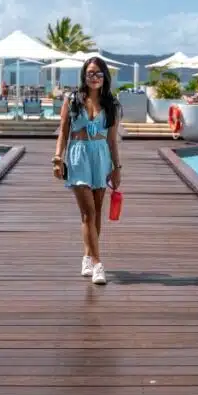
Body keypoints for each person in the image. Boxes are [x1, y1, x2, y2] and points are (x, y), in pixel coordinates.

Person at [52, 57, 122, 284]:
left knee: (97, 212)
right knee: (88, 213)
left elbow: (112, 140)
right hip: (79, 155)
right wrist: (57, 158)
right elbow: (63, 131)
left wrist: (117, 168)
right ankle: (99, 264)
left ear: (105, 77)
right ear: (84, 75)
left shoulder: (112, 104)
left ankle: (87, 257)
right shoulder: (72, 100)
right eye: (91, 73)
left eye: (99, 74)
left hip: (101, 156)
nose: (94, 77)